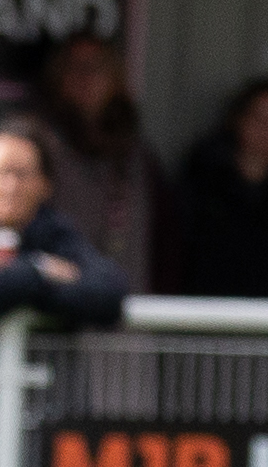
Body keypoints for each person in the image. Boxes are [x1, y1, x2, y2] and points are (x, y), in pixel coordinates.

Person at [0, 120, 128, 327]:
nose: (10, 186)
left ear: (45, 184)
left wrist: (11, 285)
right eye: (0, 172)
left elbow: (109, 292)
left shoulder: (57, 234)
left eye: (22, 174)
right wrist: (41, 270)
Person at [29, 31, 175, 292]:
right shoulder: (36, 147)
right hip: (57, 314)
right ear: (57, 76)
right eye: (75, 67)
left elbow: (166, 245)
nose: (86, 77)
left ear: (115, 79)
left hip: (128, 313)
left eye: (97, 68)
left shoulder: (139, 158)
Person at [176, 75, 268, 301]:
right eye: (260, 119)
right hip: (205, 314)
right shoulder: (203, 175)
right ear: (238, 119)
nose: (267, 130)